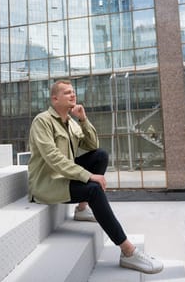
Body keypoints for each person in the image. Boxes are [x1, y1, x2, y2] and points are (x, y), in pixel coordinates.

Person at [28, 80, 163, 274]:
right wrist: (88, 176)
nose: (73, 95)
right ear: (54, 98)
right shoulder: (42, 121)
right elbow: (53, 158)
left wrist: (83, 119)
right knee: (93, 190)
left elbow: (92, 145)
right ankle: (128, 251)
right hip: (47, 183)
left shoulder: (72, 123)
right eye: (67, 93)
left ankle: (82, 209)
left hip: (65, 176)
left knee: (100, 155)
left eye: (73, 92)